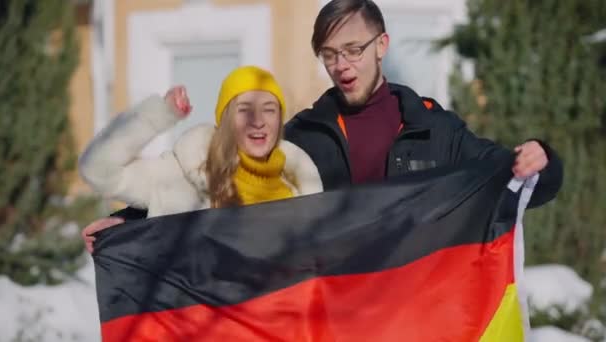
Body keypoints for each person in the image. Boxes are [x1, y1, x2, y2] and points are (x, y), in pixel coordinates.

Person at [82, 0, 563, 247]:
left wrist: (540, 157)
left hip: (416, 309)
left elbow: (512, 179)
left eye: (353, 49)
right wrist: (127, 224)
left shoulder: (435, 129)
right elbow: (218, 187)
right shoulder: (303, 136)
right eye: (329, 55)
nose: (342, 65)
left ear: (382, 45)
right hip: (334, 317)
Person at [79, 65, 323, 252]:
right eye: (244, 110)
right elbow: (98, 169)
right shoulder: (179, 176)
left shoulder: (303, 192)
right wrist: (159, 115)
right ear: (225, 118)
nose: (257, 121)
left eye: (269, 109)